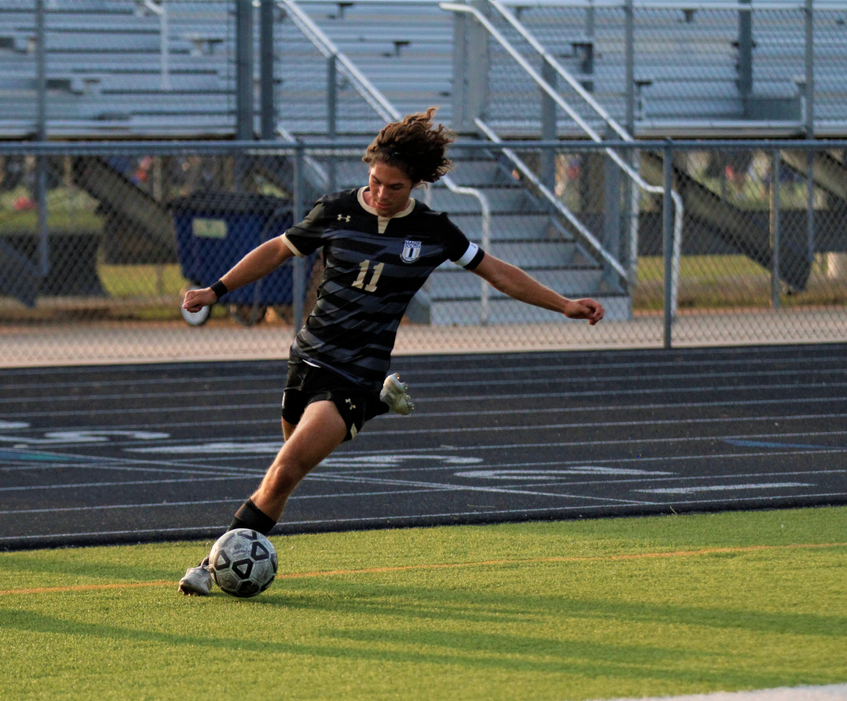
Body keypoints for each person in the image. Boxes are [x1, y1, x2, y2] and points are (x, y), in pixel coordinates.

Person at [178, 107, 604, 595]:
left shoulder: (433, 231)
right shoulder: (336, 210)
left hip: (356, 373)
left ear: (416, 184)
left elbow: (498, 272)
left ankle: (208, 568)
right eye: (375, 181)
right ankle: (380, 404)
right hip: (306, 359)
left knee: (285, 469)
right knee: (286, 474)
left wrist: (565, 304)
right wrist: (217, 289)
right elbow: (277, 249)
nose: (380, 194)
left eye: (394, 187)